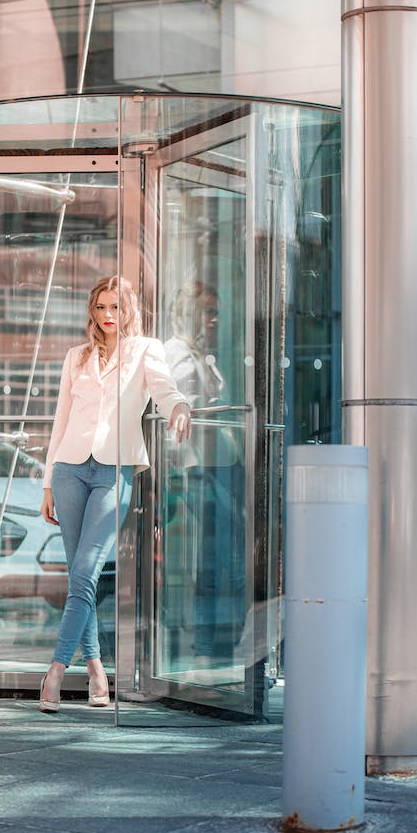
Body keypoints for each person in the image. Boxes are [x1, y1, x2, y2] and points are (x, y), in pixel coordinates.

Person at [39, 276, 191, 712]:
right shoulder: (76, 357)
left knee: (86, 570)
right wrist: (48, 483)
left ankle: (54, 671)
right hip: (69, 469)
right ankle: (96, 672)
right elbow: (60, 420)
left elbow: (162, 389)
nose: (108, 315)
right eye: (101, 307)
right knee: (78, 577)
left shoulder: (146, 350)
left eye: (116, 308)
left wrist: (179, 405)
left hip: (114, 470)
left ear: (130, 311)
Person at [163, 281, 245, 676]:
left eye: (217, 313)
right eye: (207, 312)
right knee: (212, 560)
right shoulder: (178, 353)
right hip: (203, 468)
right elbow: (176, 412)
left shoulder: (200, 354)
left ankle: (217, 643)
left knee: (223, 559)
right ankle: (207, 645)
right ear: (188, 312)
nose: (214, 320)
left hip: (222, 465)